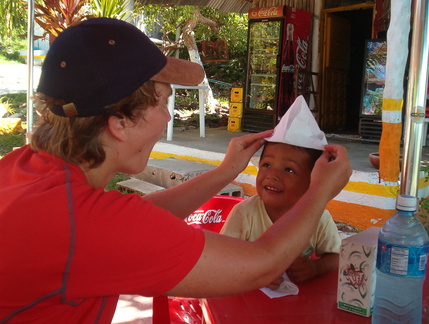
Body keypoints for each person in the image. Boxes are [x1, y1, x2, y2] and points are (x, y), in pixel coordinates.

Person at [0, 18, 351, 324]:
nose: (169, 118)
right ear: (120, 124)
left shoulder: (23, 169)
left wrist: (224, 172)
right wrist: (320, 190)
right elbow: (262, 265)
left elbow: (128, 224)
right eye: (164, 101)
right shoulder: (76, 223)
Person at [221, 97, 341, 286]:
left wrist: (315, 268)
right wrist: (254, 274)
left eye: (289, 170)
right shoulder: (244, 214)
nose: (272, 175)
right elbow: (223, 259)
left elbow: (337, 257)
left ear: (312, 181)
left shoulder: (319, 218)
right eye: (266, 165)